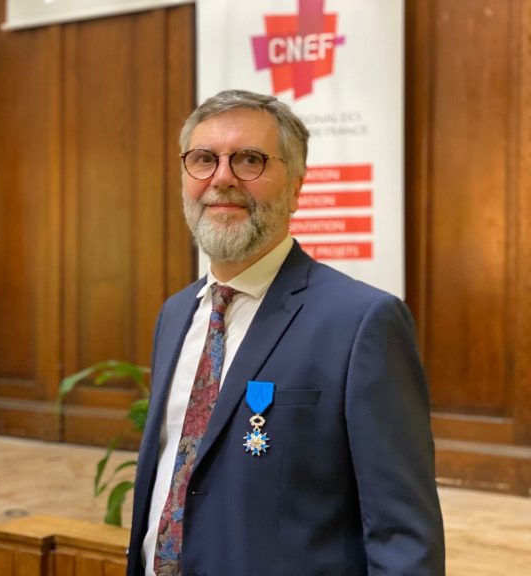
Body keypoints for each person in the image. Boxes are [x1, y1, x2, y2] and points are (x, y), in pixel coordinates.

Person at [126, 89, 445, 576]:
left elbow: (401, 534)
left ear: (297, 187)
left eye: (249, 160)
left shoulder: (363, 323)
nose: (223, 178)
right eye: (204, 159)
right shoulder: (175, 315)